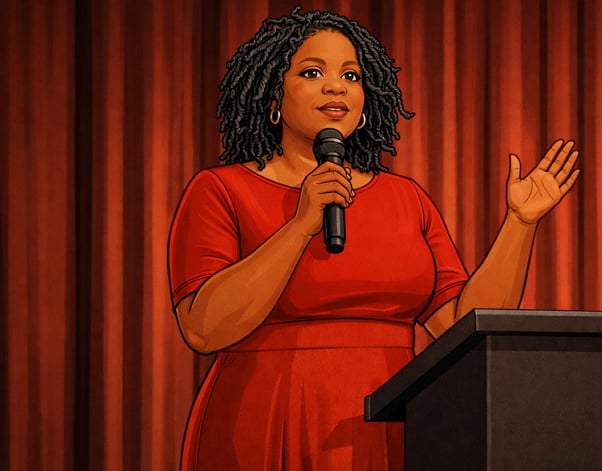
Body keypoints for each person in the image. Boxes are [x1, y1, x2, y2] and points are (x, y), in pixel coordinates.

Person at [167, 7, 579, 471]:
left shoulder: (406, 198)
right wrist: (300, 226)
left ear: (365, 104)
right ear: (273, 97)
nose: (336, 87)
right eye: (312, 72)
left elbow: (462, 330)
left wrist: (520, 224)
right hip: (262, 424)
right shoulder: (220, 189)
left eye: (351, 75)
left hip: (394, 421)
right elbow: (203, 329)